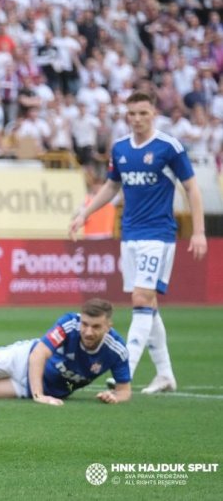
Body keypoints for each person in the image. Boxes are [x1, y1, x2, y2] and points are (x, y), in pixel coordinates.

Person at [69, 91, 207, 394]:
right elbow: (112, 186)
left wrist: (198, 231)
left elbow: (192, 189)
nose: (137, 119)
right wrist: (85, 213)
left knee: (141, 299)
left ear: (153, 113)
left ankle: (125, 371)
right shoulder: (120, 148)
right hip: (129, 235)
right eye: (132, 113)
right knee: (149, 303)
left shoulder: (169, 147)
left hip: (158, 235)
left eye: (143, 113)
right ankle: (165, 374)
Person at [0, 299, 132, 405]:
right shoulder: (70, 323)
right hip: (23, 359)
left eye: (95, 327)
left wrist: (114, 397)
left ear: (108, 326)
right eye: (85, 324)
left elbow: (124, 391)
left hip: (33, 388)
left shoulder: (117, 351)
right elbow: (39, 355)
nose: (88, 331)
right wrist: (38, 395)